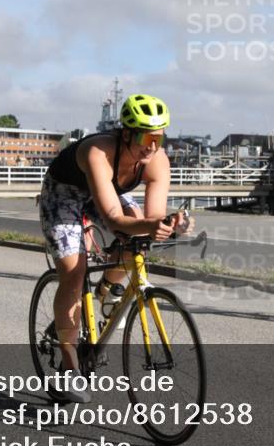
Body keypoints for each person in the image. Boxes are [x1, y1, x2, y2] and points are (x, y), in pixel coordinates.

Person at [39, 93, 191, 402]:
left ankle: (107, 291)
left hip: (105, 192)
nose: (152, 145)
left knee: (140, 240)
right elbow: (112, 217)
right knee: (74, 271)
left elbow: (151, 218)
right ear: (126, 133)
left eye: (159, 138)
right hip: (64, 194)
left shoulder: (157, 161)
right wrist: (148, 225)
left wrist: (173, 223)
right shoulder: (99, 151)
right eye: (146, 137)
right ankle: (69, 368)